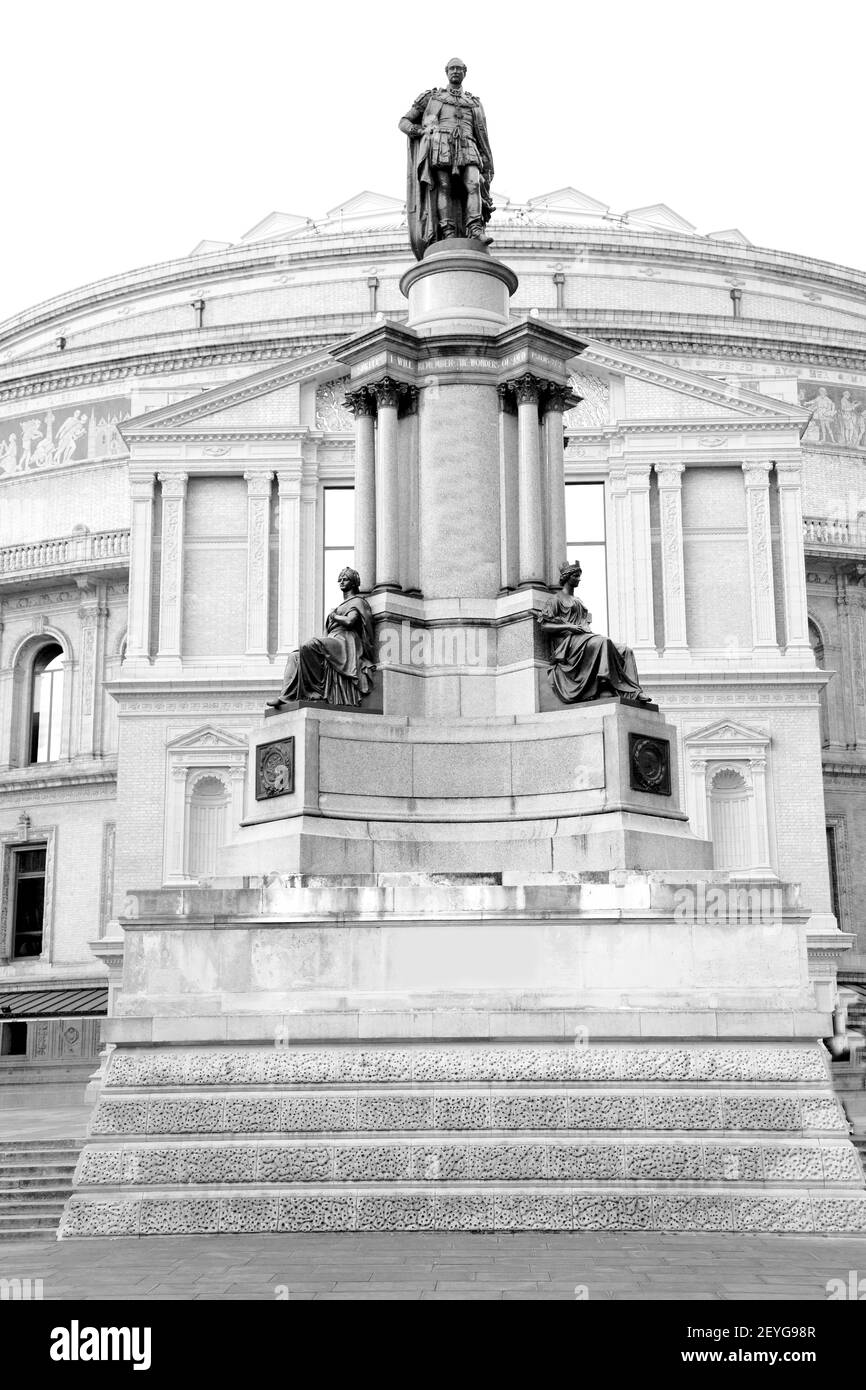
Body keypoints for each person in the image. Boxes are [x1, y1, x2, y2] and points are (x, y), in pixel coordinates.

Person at [399, 57, 494, 258]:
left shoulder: (474, 103)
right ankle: (448, 231)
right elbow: (404, 122)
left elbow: (482, 135)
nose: (456, 71)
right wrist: (421, 131)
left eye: (459, 68)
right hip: (440, 145)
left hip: (468, 144)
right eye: (452, 68)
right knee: (444, 188)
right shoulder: (432, 97)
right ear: (446, 72)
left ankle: (476, 229)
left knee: (473, 184)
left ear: (465, 72)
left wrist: (486, 161)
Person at [539, 560, 652, 705]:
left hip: (584, 638)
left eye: (579, 575)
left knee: (626, 650)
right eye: (575, 575)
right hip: (568, 643)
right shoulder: (555, 600)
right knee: (604, 642)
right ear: (567, 577)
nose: (579, 579)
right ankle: (604, 684)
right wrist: (569, 627)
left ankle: (635, 692)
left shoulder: (578, 601)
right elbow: (545, 625)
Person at [266, 567, 375, 710]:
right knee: (294, 656)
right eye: (340, 579)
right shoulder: (341, 605)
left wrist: (334, 616)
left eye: (345, 579)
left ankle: (316, 691)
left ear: (354, 583)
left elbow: (350, 622)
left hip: (345, 642)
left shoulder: (357, 602)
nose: (341, 581)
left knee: (310, 645)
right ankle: (286, 697)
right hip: (333, 638)